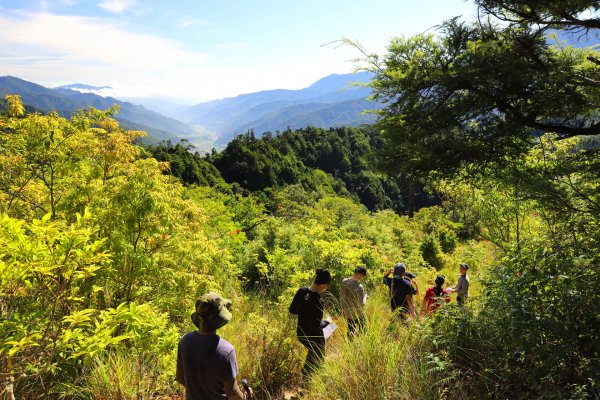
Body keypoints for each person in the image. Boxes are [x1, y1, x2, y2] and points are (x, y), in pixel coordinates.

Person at [176, 292, 249, 400]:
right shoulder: (226, 351)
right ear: (219, 319)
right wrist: (246, 396)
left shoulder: (185, 340)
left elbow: (181, 378)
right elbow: (232, 393)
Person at [289, 268, 331, 380]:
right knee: (317, 356)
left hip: (301, 333)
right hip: (314, 336)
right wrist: (326, 322)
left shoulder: (302, 290)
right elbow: (315, 324)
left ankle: (315, 378)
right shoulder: (318, 300)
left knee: (316, 356)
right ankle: (307, 381)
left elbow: (292, 310)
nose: (325, 289)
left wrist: (304, 312)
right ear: (323, 284)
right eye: (326, 286)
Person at [340, 265, 367, 338]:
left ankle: (349, 341)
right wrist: (365, 297)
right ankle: (360, 341)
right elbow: (361, 305)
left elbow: (342, 297)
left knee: (350, 329)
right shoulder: (359, 287)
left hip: (347, 312)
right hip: (357, 313)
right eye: (363, 276)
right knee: (363, 329)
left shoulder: (344, 281)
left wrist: (343, 309)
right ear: (361, 274)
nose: (362, 278)